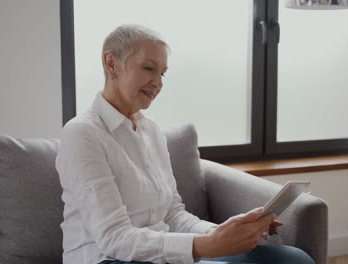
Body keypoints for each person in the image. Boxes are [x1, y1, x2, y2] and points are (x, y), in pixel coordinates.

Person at [55, 24, 315, 264]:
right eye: (148, 68)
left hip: (161, 255)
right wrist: (205, 245)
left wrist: (224, 233)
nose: (158, 82)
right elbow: (113, 238)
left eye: (163, 73)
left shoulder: (151, 131)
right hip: (106, 258)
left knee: (293, 259)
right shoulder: (82, 134)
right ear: (111, 63)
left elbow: (172, 214)